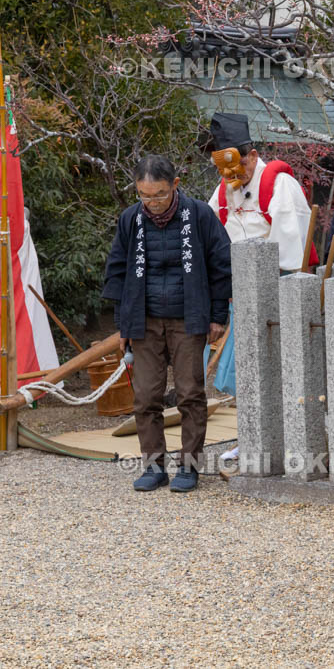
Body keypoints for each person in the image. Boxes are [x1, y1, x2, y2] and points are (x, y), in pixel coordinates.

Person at [103, 155, 232, 493]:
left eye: (158, 195)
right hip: (144, 321)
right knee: (146, 397)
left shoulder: (200, 215)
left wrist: (218, 316)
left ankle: (189, 467)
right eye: (144, 196)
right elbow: (117, 272)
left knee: (190, 394)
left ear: (175, 185)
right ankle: (153, 466)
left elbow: (222, 266)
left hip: (188, 318)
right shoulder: (131, 219)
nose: (153, 203)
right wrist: (123, 325)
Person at [204, 112, 316, 400]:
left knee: (273, 369)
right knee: (241, 372)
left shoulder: (278, 185)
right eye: (225, 170)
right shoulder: (223, 191)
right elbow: (210, 237)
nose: (233, 176)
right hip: (238, 290)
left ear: (252, 155)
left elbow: (290, 252)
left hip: (278, 288)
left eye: (239, 166)